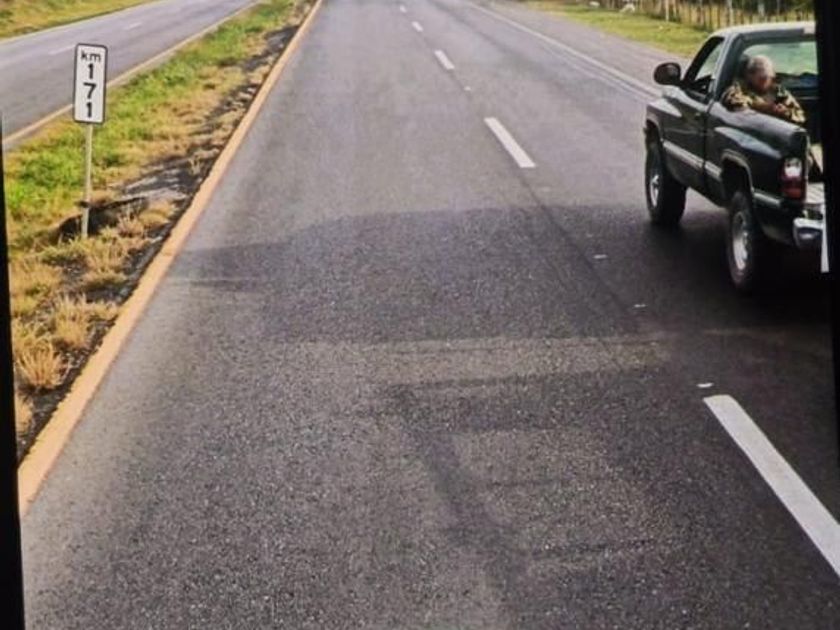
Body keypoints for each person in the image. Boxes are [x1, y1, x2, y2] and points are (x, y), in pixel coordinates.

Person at [722, 54, 806, 125]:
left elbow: (800, 117)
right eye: (762, 79)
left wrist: (784, 112)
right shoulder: (738, 89)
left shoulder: (779, 91)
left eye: (770, 78)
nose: (767, 82)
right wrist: (762, 108)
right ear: (749, 76)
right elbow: (739, 110)